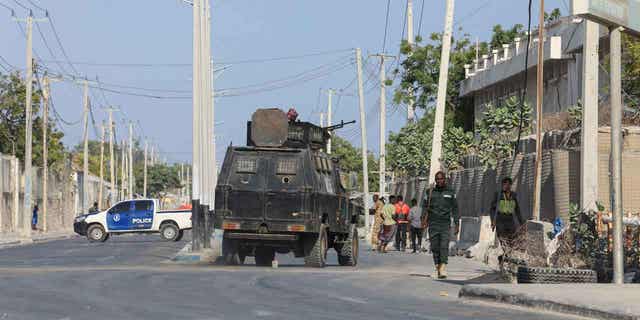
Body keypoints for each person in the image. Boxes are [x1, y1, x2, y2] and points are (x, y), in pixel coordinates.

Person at [422, 171, 459, 279]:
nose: (439, 181)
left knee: (444, 245)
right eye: (437, 179)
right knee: (434, 247)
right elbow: (424, 206)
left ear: (444, 179)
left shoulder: (451, 192)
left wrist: (457, 223)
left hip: (445, 223)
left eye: (441, 179)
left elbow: (455, 208)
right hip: (432, 223)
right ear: (435, 180)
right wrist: (423, 219)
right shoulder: (429, 192)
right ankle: (437, 266)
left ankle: (443, 267)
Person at [490, 177, 525, 247]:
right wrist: (493, 221)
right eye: (504, 184)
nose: (505, 186)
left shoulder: (513, 195)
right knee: (503, 239)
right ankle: (506, 254)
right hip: (500, 220)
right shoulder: (498, 194)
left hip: (510, 220)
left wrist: (522, 223)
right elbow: (492, 209)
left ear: (510, 185)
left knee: (512, 239)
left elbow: (517, 210)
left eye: (507, 184)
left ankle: (507, 255)